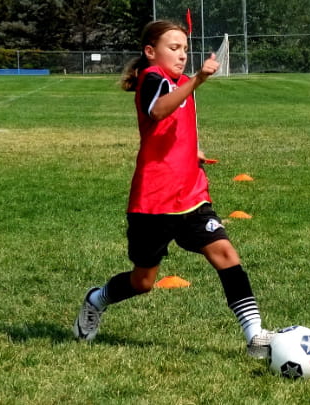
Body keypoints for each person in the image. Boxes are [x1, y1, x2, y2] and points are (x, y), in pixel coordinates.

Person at [73, 20, 273, 358]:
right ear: (151, 52)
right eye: (173, 48)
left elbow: (176, 127)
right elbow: (159, 110)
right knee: (143, 282)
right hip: (153, 201)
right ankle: (96, 300)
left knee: (226, 255)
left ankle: (255, 337)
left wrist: (191, 150)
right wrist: (198, 79)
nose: (182, 55)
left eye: (184, 48)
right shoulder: (153, 78)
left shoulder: (180, 82)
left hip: (191, 194)